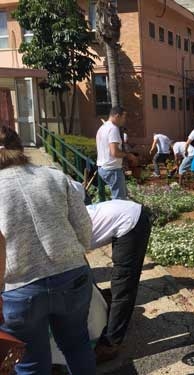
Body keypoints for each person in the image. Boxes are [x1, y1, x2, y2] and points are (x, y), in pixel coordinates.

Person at [0, 126, 96, 375]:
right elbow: (84, 226)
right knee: (78, 346)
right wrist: (76, 251)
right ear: (21, 148)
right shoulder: (54, 176)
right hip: (72, 275)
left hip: (19, 288)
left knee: (31, 362)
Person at [85, 199, 152, 363]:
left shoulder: (59, 236)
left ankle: (111, 343)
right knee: (114, 285)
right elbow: (84, 268)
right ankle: (110, 309)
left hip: (132, 221)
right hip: (122, 213)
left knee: (124, 284)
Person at [96, 106, 136, 199]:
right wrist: (129, 155)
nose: (124, 120)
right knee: (119, 201)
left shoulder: (102, 128)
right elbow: (115, 153)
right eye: (124, 117)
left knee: (120, 197)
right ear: (117, 116)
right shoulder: (113, 129)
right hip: (112, 169)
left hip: (103, 168)